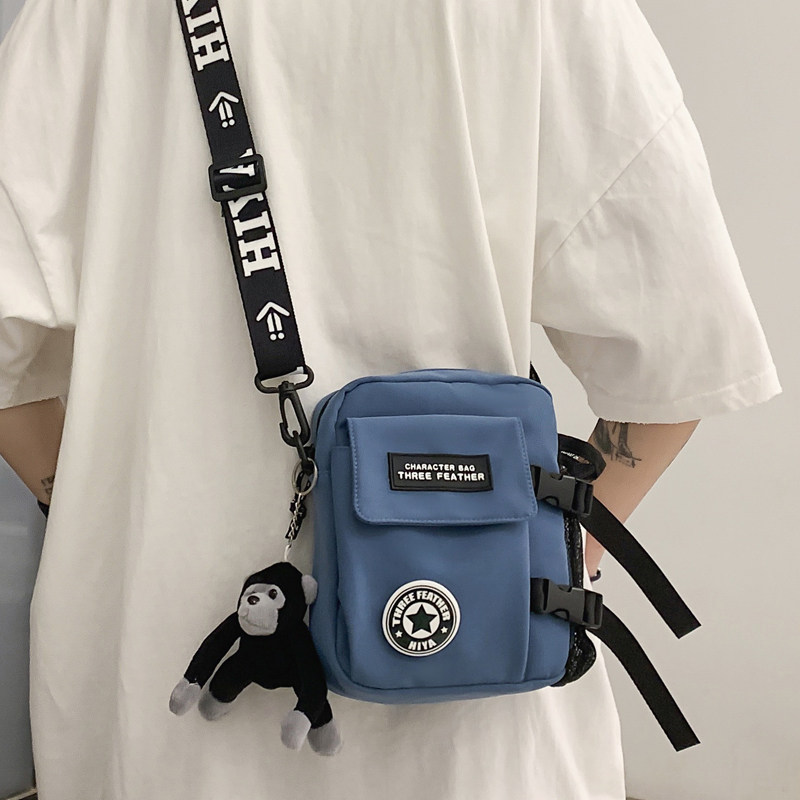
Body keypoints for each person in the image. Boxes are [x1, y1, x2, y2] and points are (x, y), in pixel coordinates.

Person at [0, 1, 782, 798]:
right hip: (478, 734)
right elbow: (679, 353)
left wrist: (105, 521)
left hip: (155, 706)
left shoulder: (81, 15)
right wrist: (525, 567)